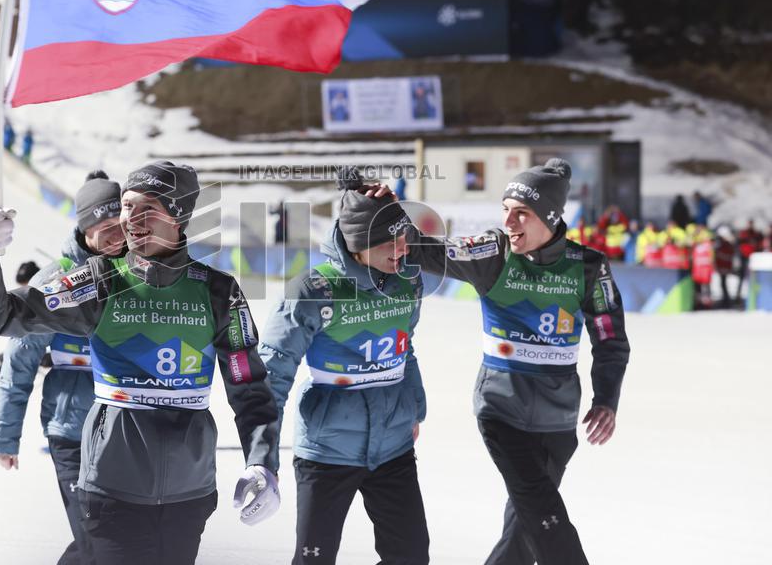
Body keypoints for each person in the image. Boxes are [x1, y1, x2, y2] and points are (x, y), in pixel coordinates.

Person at [0, 161, 280, 565]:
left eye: (147, 207)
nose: (132, 218)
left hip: (190, 493)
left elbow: (249, 387)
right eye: (128, 206)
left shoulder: (219, 292)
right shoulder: (99, 282)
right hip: (111, 489)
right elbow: (2, 317)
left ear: (179, 215)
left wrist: (262, 463)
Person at [402, 158, 631, 565]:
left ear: (551, 216)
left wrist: (606, 399)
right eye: (505, 210)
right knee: (543, 512)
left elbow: (611, 341)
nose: (510, 221)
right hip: (501, 410)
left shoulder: (588, 267)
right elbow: (426, 251)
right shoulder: (494, 254)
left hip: (558, 421)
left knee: (525, 529)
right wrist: (379, 208)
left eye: (521, 213)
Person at [260, 168, 429, 565]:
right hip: (327, 451)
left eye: (405, 237)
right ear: (359, 242)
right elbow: (273, 373)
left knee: (410, 556)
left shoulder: (408, 282)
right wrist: (262, 456)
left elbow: (407, 350)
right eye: (392, 240)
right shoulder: (314, 289)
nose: (403, 248)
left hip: (393, 448)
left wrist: (414, 409)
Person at [0, 172, 127, 565]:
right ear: (85, 229)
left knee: (113, 537)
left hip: (126, 426)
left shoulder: (137, 272)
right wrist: (5, 434)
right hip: (71, 428)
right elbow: (19, 360)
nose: (116, 237)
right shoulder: (57, 280)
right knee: (94, 536)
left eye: (120, 226)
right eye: (105, 229)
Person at [736, 220, 761, 302]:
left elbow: (758, 244)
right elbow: (739, 243)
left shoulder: (756, 234)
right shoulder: (744, 233)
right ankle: (738, 296)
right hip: (744, 257)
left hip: (753, 258)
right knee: (742, 277)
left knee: (753, 277)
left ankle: (752, 295)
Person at [714, 226, 737, 309]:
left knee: (724, 284)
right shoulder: (721, 244)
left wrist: (719, 254)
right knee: (722, 284)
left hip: (725, 267)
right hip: (721, 267)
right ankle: (725, 300)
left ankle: (727, 301)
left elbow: (728, 255)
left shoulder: (727, 244)